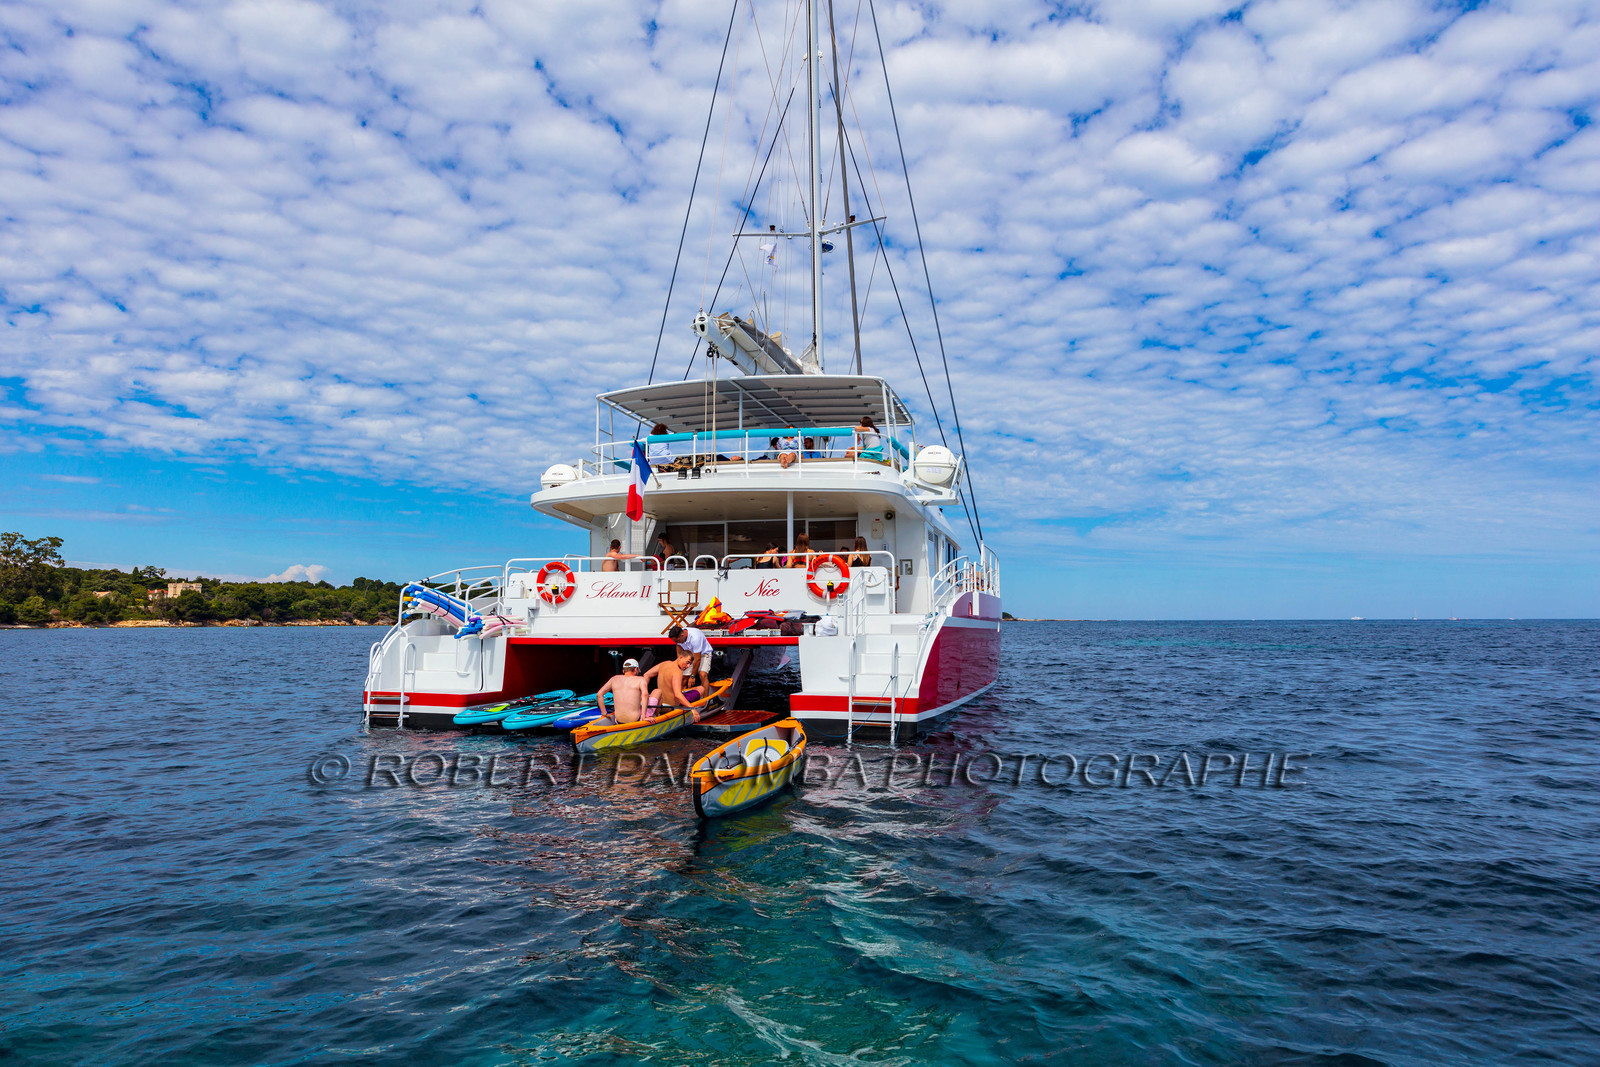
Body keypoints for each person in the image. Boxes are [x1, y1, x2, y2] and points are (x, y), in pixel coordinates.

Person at [643, 650, 702, 717]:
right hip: (670, 708)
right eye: (687, 662)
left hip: (659, 705)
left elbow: (646, 675)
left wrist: (644, 694)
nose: (688, 666)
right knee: (701, 688)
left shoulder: (663, 664)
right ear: (680, 658)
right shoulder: (677, 672)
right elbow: (677, 694)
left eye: (690, 664)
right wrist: (692, 709)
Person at [594, 658, 649, 724]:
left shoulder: (614, 679)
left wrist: (604, 713)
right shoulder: (641, 679)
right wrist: (644, 716)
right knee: (657, 692)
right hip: (635, 720)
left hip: (619, 721)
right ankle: (656, 715)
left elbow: (599, 694)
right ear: (635, 669)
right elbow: (645, 695)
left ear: (623, 670)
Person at [667, 623, 712, 691]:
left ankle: (706, 700)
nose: (677, 642)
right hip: (689, 653)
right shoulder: (679, 636)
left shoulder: (695, 638)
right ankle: (682, 698)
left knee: (702, 675)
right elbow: (679, 653)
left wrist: (692, 676)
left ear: (682, 635)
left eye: (677, 641)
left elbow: (697, 659)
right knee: (683, 678)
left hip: (703, 654)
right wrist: (678, 666)